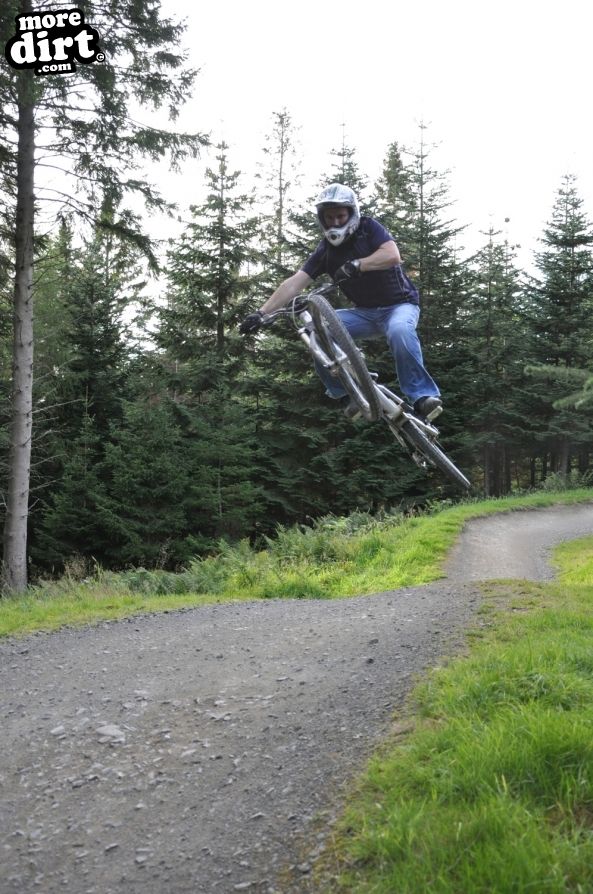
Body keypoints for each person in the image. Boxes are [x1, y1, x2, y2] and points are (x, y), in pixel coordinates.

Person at [240, 183, 442, 421]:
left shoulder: (369, 228)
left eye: (340, 216)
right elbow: (294, 283)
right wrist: (261, 313)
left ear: (351, 214)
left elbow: (392, 255)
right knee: (315, 331)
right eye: (329, 217)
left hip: (400, 306)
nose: (335, 222)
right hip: (365, 314)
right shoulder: (325, 251)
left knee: (399, 331)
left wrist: (358, 264)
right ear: (322, 220)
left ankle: (422, 397)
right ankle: (348, 394)